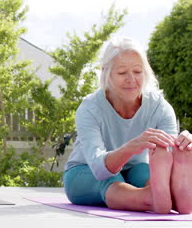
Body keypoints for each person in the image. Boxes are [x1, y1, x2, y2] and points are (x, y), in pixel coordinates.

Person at [63, 36, 192, 214]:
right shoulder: (89, 108)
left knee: (146, 172)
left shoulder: (159, 106)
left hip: (135, 169)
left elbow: (165, 153)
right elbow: (99, 169)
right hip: (87, 172)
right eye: (122, 73)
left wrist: (181, 147)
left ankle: (171, 194)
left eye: (137, 72)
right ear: (106, 73)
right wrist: (131, 147)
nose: (131, 79)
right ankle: (150, 199)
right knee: (110, 179)